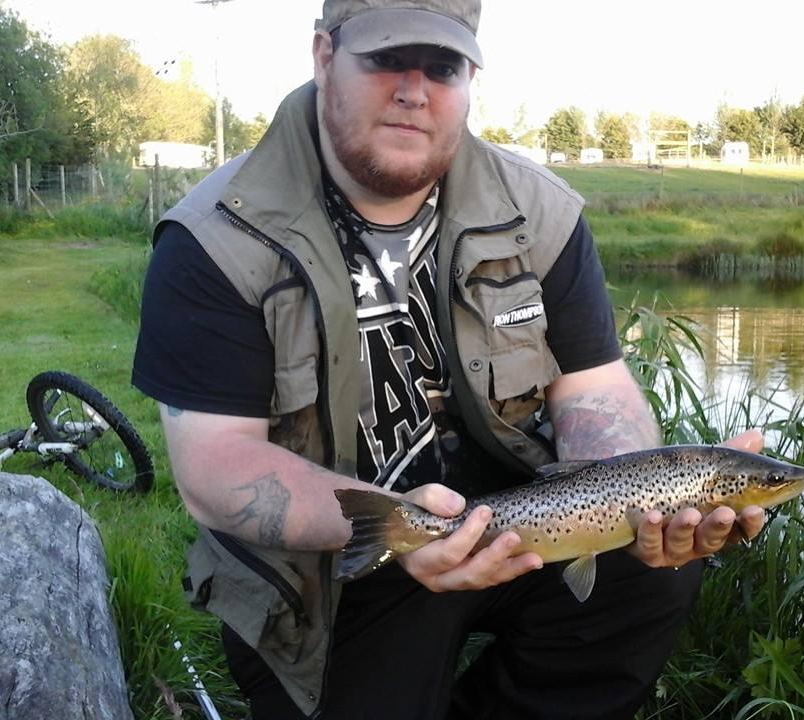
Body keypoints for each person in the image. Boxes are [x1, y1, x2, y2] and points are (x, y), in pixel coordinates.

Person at [132, 1, 767, 718]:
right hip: (331, 569)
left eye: (442, 67)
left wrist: (640, 503)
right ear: (323, 57)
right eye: (385, 59)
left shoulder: (539, 212)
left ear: (469, 79)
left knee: (651, 576)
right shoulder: (216, 238)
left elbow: (595, 388)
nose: (415, 90)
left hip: (520, 524)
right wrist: (400, 528)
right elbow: (216, 467)